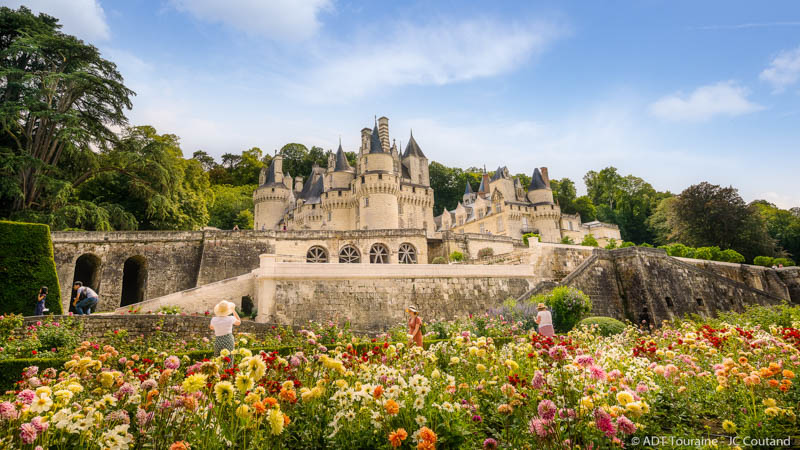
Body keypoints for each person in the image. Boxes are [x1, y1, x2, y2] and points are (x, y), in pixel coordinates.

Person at [210, 300, 241, 367]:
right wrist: (233, 311)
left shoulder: (214, 319)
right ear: (228, 310)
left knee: (217, 359)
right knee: (229, 359)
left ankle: (218, 375)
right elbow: (239, 322)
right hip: (228, 339)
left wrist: (219, 326)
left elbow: (211, 327)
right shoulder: (231, 318)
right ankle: (228, 375)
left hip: (218, 340)